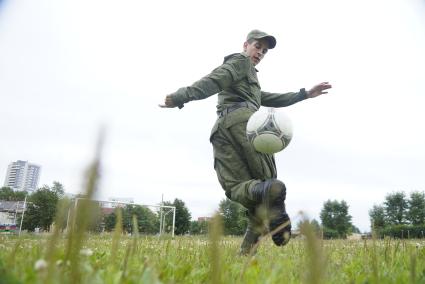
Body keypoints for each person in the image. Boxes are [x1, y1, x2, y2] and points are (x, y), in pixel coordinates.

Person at [160, 30, 331, 255]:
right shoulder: (239, 61)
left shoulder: (249, 78)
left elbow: (269, 98)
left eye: (264, 51)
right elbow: (214, 80)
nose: (260, 52)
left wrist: (305, 94)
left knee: (243, 190)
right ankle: (269, 194)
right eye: (257, 46)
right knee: (264, 187)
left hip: (224, 129)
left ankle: (246, 254)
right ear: (245, 45)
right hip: (245, 126)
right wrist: (181, 96)